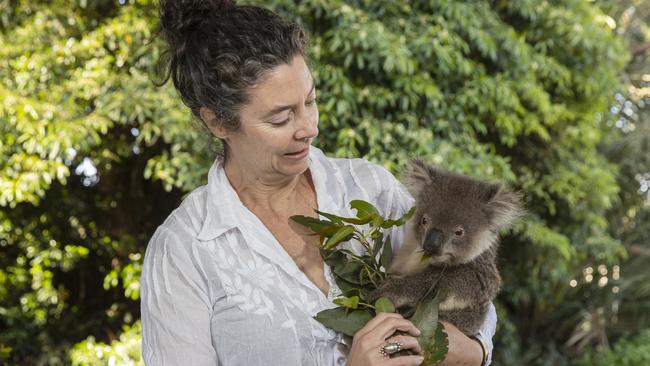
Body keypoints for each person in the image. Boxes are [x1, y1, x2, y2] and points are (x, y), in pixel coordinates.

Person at [140, 0, 496, 365]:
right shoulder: (184, 251)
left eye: (310, 101)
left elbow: (472, 292)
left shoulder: (369, 189)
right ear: (217, 122)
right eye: (281, 118)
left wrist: (472, 351)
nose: (310, 128)